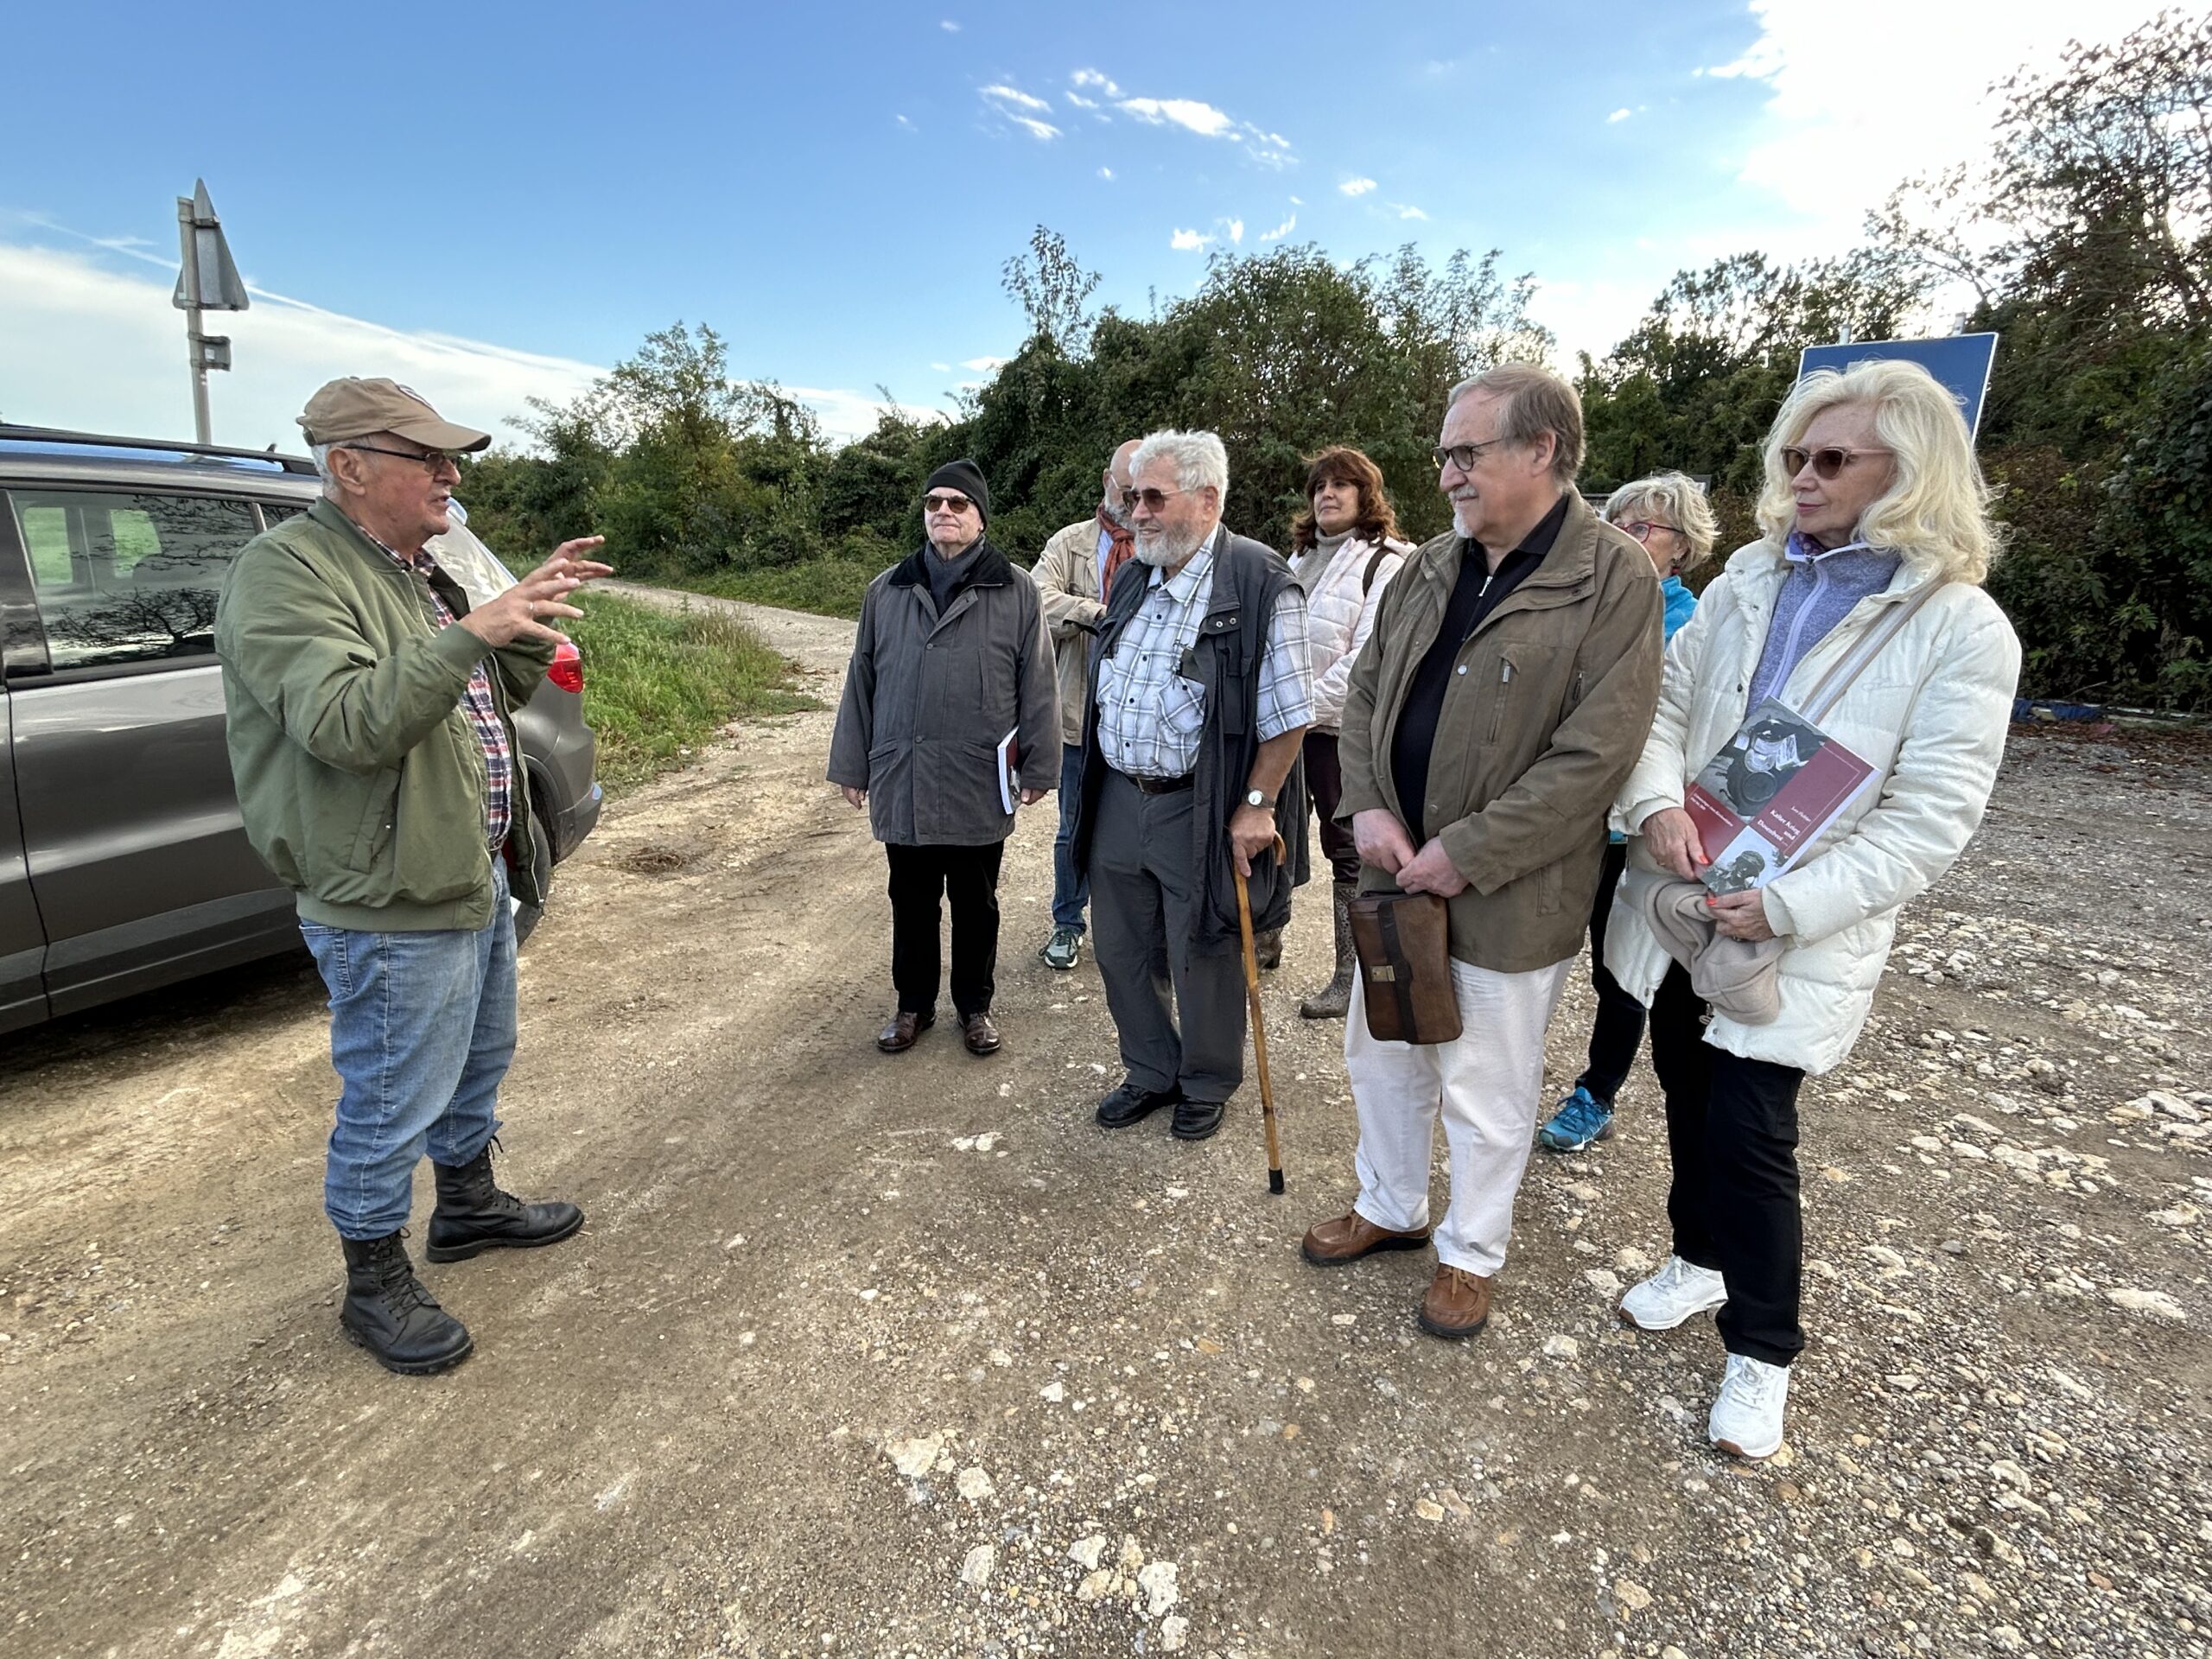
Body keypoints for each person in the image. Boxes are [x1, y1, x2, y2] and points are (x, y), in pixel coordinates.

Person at [1606, 359, 2021, 1459]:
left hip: (1788, 929)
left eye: (1832, 458)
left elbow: (1933, 819)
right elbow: (1665, 708)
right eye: (1794, 455)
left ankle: (1762, 1351)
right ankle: (1695, 1263)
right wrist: (1652, 808)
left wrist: (1783, 905)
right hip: (1685, 890)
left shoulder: (1958, 627)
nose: (1802, 476)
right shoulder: (1750, 575)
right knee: (1683, 1092)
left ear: (1912, 472)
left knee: (1750, 1134)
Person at [214, 377, 611, 1376]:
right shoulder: (285, 573)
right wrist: (474, 628)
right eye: (424, 456)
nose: (451, 473)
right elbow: (349, 726)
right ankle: (372, 1279)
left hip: (463, 868)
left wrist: (520, 621)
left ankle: (468, 1206)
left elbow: (474, 690)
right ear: (349, 467)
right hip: (384, 893)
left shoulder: (413, 567)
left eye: (450, 456)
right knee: (393, 1091)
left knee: (477, 1058)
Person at [1300, 364, 1663, 1341]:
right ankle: (1391, 1206)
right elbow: (1367, 690)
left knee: (1486, 1083)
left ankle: (1470, 1253)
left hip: (1510, 891)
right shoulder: (1427, 565)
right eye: (1445, 456)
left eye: (1467, 453)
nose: (1449, 476)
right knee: (1381, 1055)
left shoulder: (1613, 575)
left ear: (1540, 450)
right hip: (1392, 869)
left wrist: (1470, 849)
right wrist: (1368, 808)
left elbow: (1599, 752)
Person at [1068, 429, 1314, 1142]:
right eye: (1129, 498)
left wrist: (1258, 805)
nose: (1135, 513)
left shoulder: (1260, 582)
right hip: (1118, 792)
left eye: (1152, 498)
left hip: (1198, 804)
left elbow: (1290, 714)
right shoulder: (1133, 575)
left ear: (1207, 500)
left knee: (1203, 947)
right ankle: (1150, 1070)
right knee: (1118, 947)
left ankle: (1206, 1081)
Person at [828, 460, 1059, 1058]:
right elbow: (863, 679)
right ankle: (913, 1007)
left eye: (958, 503)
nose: (944, 513)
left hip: (978, 776)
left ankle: (975, 1007)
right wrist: (853, 764)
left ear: (980, 518)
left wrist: (1039, 766)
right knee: (910, 899)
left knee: (976, 902)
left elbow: (1038, 681)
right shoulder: (888, 589)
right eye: (935, 503)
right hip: (904, 773)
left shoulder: (1015, 588)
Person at [1537, 471, 1717, 1150]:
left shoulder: (1695, 623)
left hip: (1639, 826)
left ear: (1683, 545)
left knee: (1624, 968)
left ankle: (1596, 1093)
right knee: (1562, 954)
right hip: (1575, 816)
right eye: (1618, 524)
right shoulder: (1586, 607)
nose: (1628, 538)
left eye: (1645, 527)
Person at [1286, 445, 1413, 1019]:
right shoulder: (1299, 559)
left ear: (1366, 495)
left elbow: (1367, 662)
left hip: (1341, 731)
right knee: (1271, 829)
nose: (1327, 495)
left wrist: (1292, 711)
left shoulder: (1385, 561)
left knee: (1347, 851)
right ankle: (1266, 935)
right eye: (1319, 486)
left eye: (1341, 485)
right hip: (1287, 727)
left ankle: (1348, 974)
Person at [1032, 439, 1141, 971]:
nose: (1133, 501)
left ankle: (1131, 930)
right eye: (1126, 489)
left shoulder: (1163, 541)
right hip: (1078, 715)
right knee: (1073, 824)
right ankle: (1068, 923)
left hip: (1141, 721)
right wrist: (1098, 613)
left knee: (1136, 830)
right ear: (1106, 481)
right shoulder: (1070, 543)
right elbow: (1036, 598)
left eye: (1145, 490)